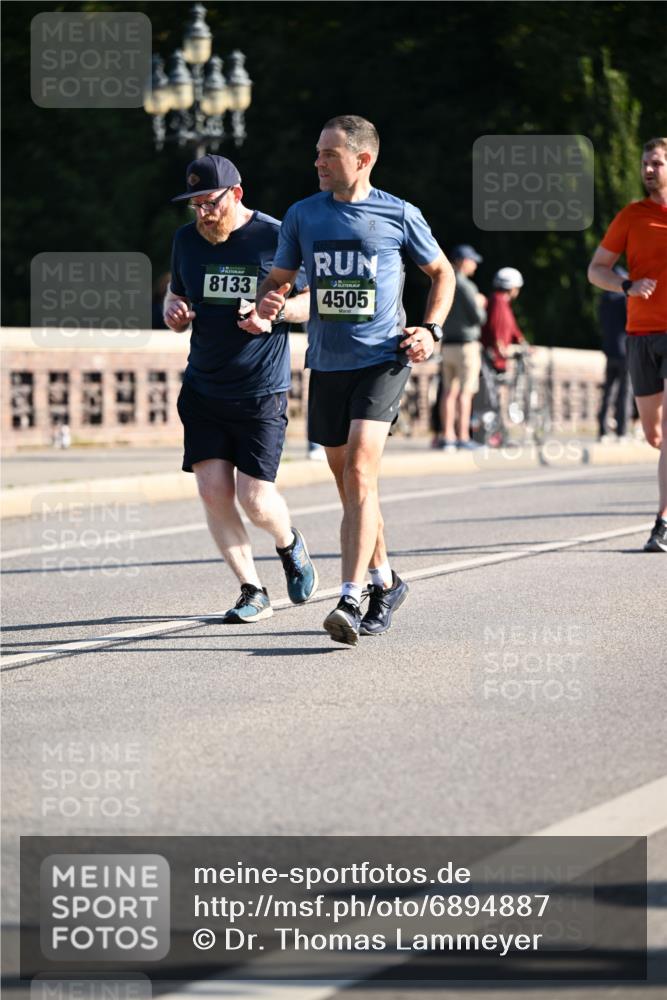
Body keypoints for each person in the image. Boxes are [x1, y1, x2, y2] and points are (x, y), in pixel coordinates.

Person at [257, 115, 455, 645]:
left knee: (363, 473)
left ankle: (348, 597)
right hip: (327, 362)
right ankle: (385, 580)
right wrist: (270, 299)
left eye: (328, 154)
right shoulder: (302, 215)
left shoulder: (398, 213)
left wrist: (431, 330)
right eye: (318, 153)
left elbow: (442, 273)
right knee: (352, 485)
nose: (317, 162)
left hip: (383, 359)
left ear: (362, 159)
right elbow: (280, 280)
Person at [164, 153, 318, 619]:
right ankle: (252, 589)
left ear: (236, 194)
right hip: (204, 386)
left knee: (255, 498)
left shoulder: (276, 237)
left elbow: (313, 302)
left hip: (259, 389)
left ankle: (289, 543)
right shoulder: (186, 240)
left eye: (210, 203)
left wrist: (274, 312)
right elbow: (177, 293)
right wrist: (173, 311)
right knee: (213, 492)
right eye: (195, 206)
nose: (203, 214)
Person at [587, 137, 667, 553]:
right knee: (654, 436)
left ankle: (662, 523)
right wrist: (627, 285)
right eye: (645, 163)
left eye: (656, 162)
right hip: (640, 335)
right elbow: (596, 269)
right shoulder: (632, 216)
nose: (648, 169)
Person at [439, 244, 487, 451]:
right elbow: (478, 318)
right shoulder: (467, 286)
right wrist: (481, 304)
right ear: (462, 261)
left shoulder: (444, 282)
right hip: (466, 346)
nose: (475, 265)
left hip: (447, 344)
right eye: (472, 260)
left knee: (448, 392)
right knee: (465, 393)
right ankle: (463, 436)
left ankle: (447, 436)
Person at [597, 266, 630, 441]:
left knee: (608, 392)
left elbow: (601, 322)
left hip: (609, 349)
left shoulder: (604, 299)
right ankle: (622, 431)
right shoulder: (624, 299)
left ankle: (602, 430)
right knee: (624, 393)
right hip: (625, 351)